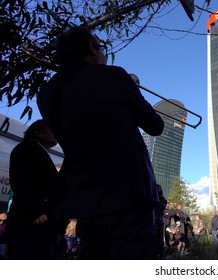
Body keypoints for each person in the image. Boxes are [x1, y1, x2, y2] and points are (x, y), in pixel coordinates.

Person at [36, 26, 164, 259]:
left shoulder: (46, 93)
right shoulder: (114, 76)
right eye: (101, 47)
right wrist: (133, 92)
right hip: (129, 193)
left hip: (85, 198)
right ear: (92, 50)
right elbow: (156, 126)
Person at [6, 120, 59, 259]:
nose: (55, 132)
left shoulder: (36, 150)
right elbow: (22, 183)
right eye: (51, 128)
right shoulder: (27, 149)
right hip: (32, 221)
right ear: (37, 132)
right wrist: (37, 211)